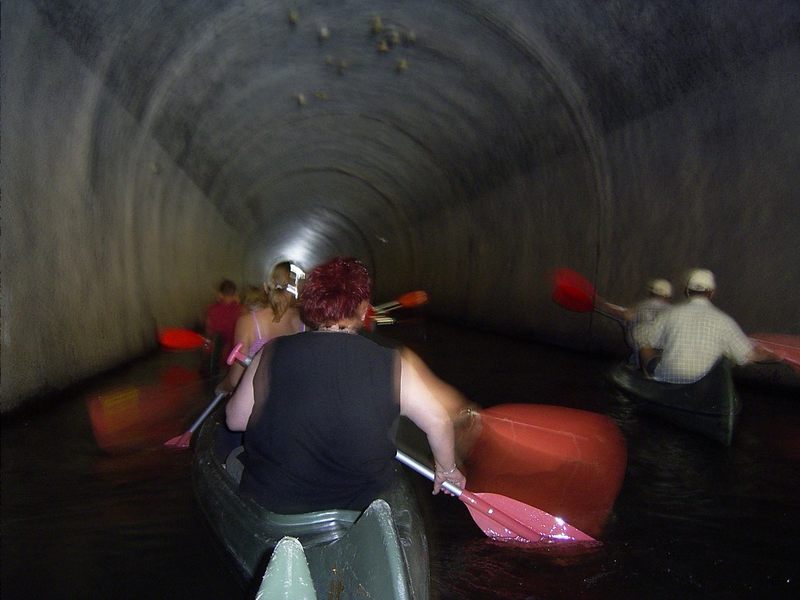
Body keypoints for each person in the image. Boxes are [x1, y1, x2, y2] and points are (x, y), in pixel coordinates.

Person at [225, 256, 467, 513]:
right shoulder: (394, 364)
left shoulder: (271, 352)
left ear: (312, 306)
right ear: (363, 311)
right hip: (357, 510)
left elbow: (236, 420)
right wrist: (447, 469)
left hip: (274, 501)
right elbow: (439, 422)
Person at [639, 269, 778, 383]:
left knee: (644, 344)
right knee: (726, 355)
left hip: (667, 376)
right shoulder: (725, 321)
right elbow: (749, 356)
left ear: (688, 291)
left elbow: (645, 339)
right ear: (711, 293)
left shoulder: (670, 314)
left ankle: (649, 380)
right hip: (700, 381)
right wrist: (776, 356)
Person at [217, 263, 305, 394]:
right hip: (289, 399)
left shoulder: (249, 322)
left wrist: (221, 387)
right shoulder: (303, 323)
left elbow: (235, 380)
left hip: (255, 402)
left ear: (266, 286)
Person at [600, 279, 673, 367]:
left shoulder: (643, 306)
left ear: (652, 293)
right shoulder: (672, 310)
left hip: (644, 344)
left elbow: (627, 315)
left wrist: (604, 305)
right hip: (666, 345)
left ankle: (644, 367)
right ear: (668, 295)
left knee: (641, 339)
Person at [204, 279, 242, 372]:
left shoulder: (211, 309)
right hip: (232, 351)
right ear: (235, 294)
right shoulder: (239, 309)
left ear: (220, 294)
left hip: (215, 350)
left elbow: (208, 330)